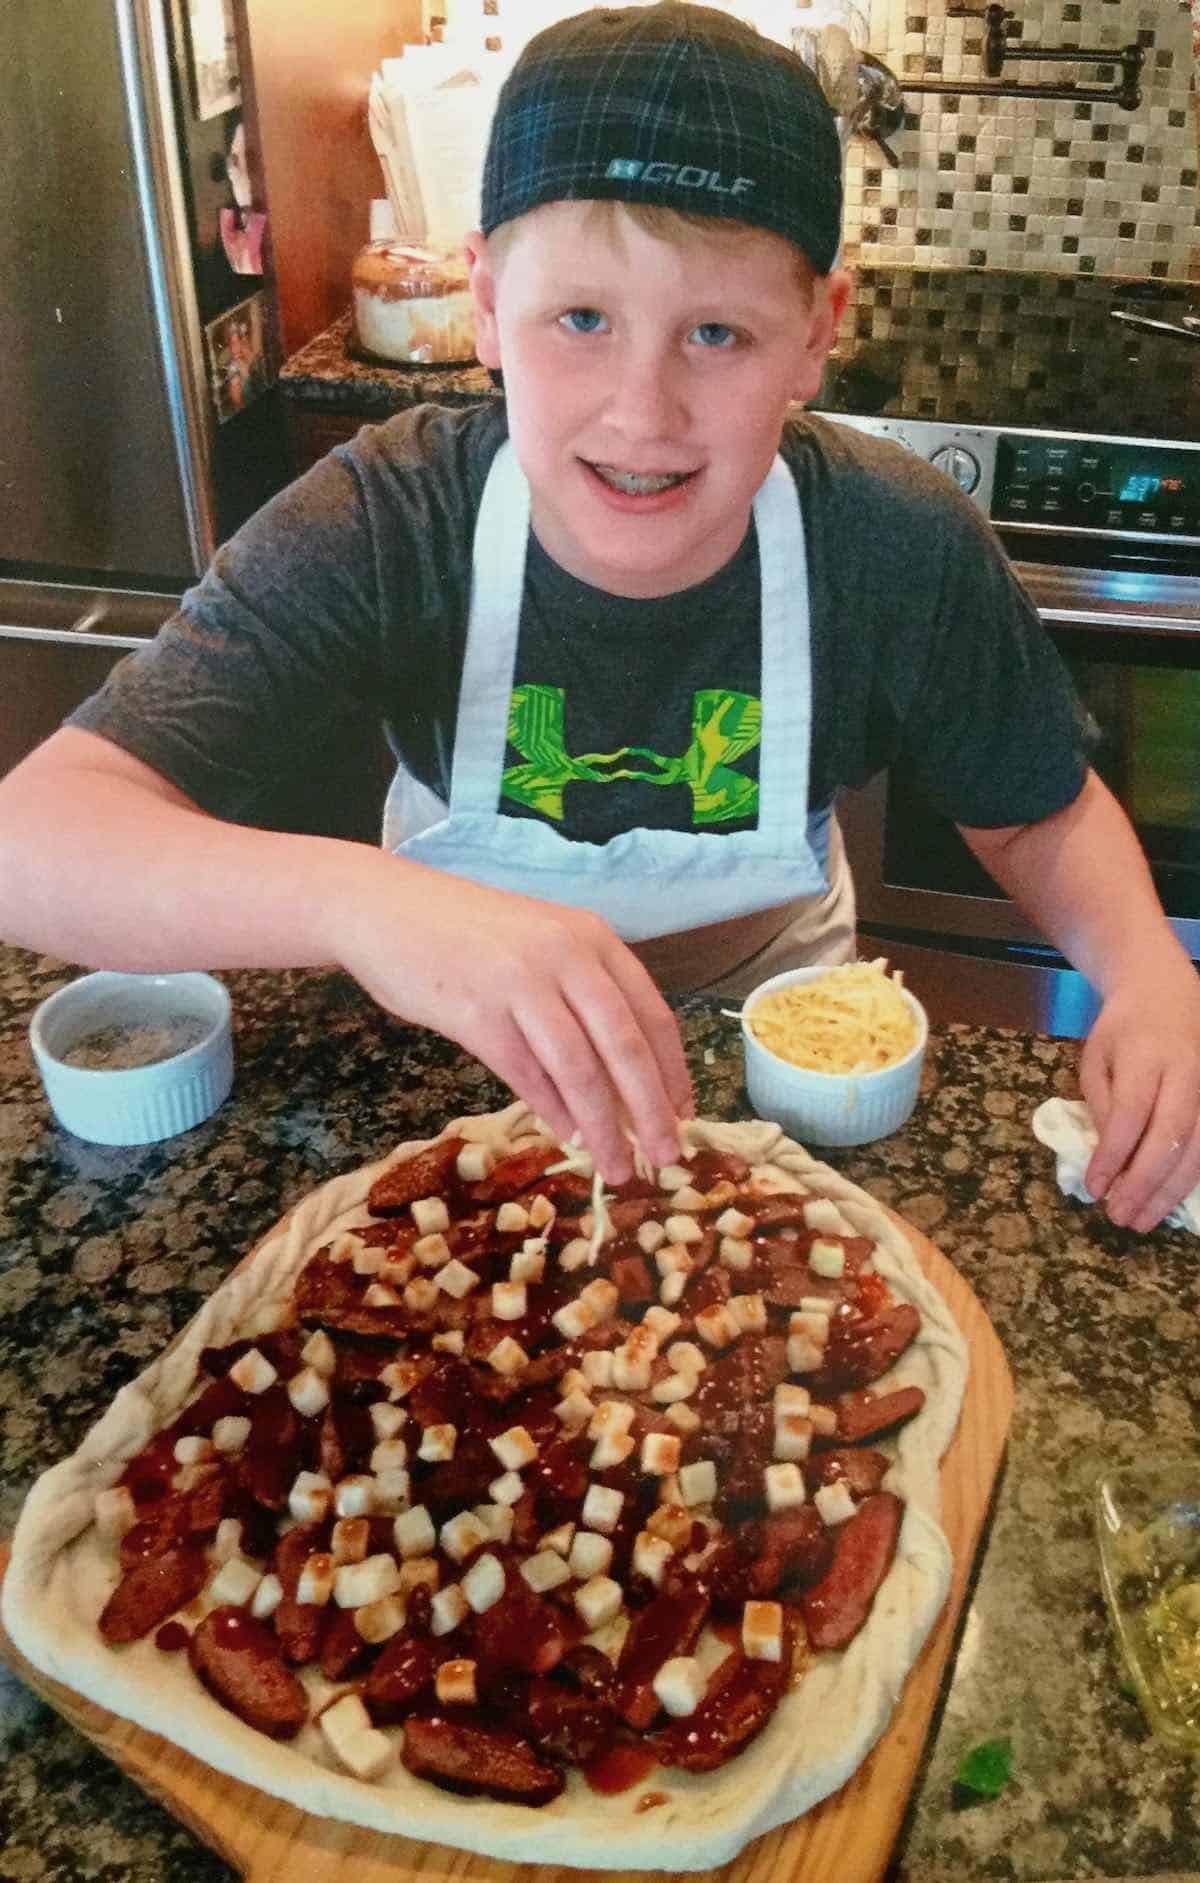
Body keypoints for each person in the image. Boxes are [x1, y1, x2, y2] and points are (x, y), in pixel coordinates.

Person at [1, 2, 1197, 1229]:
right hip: (449, 1060)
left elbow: (1036, 812)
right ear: (486, 303)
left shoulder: (891, 543)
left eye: (717, 334)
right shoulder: (391, 517)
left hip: (766, 1052)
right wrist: (366, 903)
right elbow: (31, 839)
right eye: (581, 320)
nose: (642, 413)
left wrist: (1150, 973)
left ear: (816, 339)